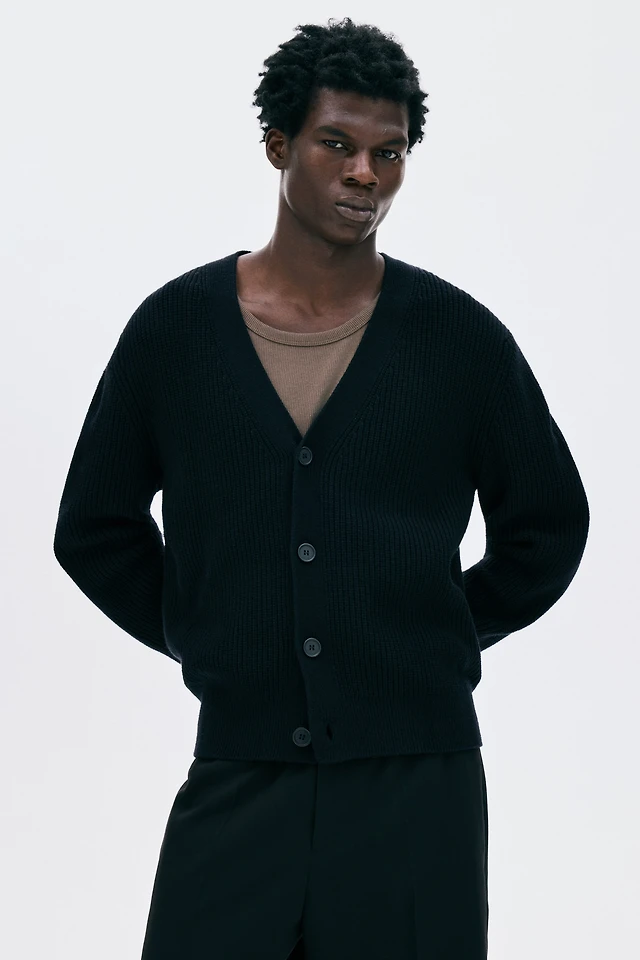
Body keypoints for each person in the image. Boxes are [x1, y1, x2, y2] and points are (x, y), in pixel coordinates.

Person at [53, 16, 590, 960]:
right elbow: (94, 527)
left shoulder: (458, 339)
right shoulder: (176, 332)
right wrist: (207, 631)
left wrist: (432, 633)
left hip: (418, 786)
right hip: (241, 767)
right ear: (278, 146)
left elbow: (548, 525)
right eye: (336, 144)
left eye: (390, 152)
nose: (364, 173)